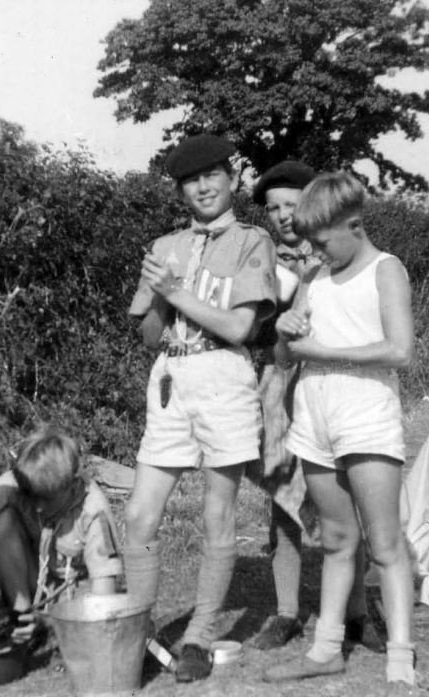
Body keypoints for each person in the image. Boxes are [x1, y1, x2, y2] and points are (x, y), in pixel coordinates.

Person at [125, 134, 277, 683]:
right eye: (192, 179)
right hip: (170, 374)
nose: (204, 186)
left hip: (223, 376)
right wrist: (159, 295)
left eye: (213, 174)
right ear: (181, 189)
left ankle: (198, 637)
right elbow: (148, 335)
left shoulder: (252, 241)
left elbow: (240, 326)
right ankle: (136, 631)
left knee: (218, 512)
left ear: (232, 179)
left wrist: (178, 292)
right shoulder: (165, 245)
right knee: (140, 513)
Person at [262, 172, 416, 695]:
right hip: (315, 419)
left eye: (323, 241)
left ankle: (400, 657)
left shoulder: (385, 270)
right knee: (335, 541)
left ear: (353, 224)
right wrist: (284, 336)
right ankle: (326, 649)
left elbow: (399, 351)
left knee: (386, 543)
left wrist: (319, 353)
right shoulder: (315, 279)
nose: (316, 251)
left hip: (366, 418)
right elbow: (287, 356)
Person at [247, 162, 385, 654]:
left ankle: (357, 614)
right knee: (283, 493)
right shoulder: (259, 256)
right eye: (274, 208)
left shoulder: (339, 254)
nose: (284, 216)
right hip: (280, 381)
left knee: (344, 493)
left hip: (336, 383)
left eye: (292, 205)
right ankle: (286, 613)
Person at [0, 426, 123, 636]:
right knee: (1, 521)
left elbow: (104, 602)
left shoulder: (94, 512)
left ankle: (37, 625)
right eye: (30, 495)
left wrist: (50, 622)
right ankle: (21, 618)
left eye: (46, 498)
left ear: (71, 485)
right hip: (38, 583)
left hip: (75, 597)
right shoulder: (19, 480)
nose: (37, 507)